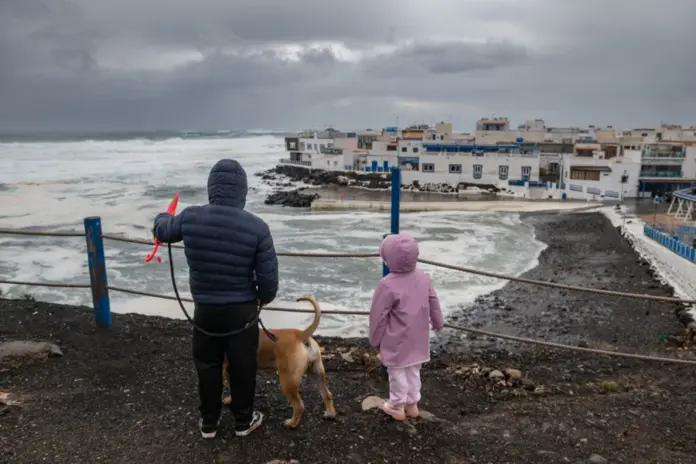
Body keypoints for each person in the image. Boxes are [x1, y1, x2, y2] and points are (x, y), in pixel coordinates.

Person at [153, 159, 278, 439]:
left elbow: (163, 230)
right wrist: (263, 298)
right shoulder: (258, 227)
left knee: (207, 365)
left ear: (212, 188)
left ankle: (208, 423)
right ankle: (243, 422)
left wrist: (162, 216)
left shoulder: (190, 217)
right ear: (242, 191)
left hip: (205, 310)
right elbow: (269, 280)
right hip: (242, 312)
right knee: (243, 367)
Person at [368, 233, 444, 421]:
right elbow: (433, 301)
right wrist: (438, 322)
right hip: (419, 337)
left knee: (397, 373)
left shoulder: (387, 285)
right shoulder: (423, 278)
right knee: (413, 370)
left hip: (396, 339)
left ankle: (397, 406)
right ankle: (412, 404)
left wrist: (375, 340)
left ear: (387, 258)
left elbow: (378, 316)